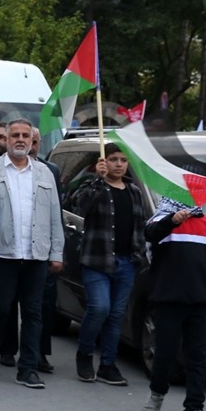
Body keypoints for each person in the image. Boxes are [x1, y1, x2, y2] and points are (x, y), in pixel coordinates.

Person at [0, 118, 64, 389]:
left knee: (34, 312)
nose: (21, 140)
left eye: (26, 135)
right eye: (16, 135)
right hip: (3, 252)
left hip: (36, 254)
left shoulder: (45, 173)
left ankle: (27, 369)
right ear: (7, 139)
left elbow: (54, 215)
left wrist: (57, 252)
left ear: (32, 140)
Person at [142, 197, 206, 411]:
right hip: (168, 300)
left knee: (197, 358)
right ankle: (157, 394)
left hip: (199, 301)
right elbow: (150, 234)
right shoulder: (161, 220)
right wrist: (172, 220)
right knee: (165, 353)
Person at [70, 143, 146, 385]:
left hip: (126, 262)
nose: (119, 164)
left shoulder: (134, 191)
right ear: (103, 162)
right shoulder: (95, 186)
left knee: (116, 315)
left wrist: (139, 254)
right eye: (113, 159)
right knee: (99, 308)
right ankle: (84, 354)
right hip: (97, 260)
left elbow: (140, 226)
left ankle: (108, 364)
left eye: (123, 160)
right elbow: (80, 205)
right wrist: (98, 180)